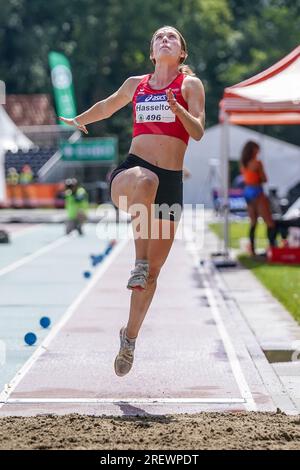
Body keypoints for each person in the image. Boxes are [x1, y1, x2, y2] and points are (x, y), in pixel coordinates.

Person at [59, 25, 205, 377]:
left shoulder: (189, 86)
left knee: (152, 276)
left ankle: (129, 338)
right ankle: (137, 261)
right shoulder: (135, 84)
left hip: (170, 185)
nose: (165, 39)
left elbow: (198, 131)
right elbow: (108, 107)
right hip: (131, 175)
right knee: (146, 179)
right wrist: (80, 120)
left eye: (172, 37)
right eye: (158, 37)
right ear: (152, 53)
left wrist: (178, 109)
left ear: (181, 53)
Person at [240, 141, 276, 256]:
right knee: (269, 222)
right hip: (257, 191)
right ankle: (272, 248)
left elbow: (247, 178)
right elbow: (264, 179)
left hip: (247, 192)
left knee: (253, 222)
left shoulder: (243, 163)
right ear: (253, 150)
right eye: (257, 149)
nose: (259, 151)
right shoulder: (257, 163)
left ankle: (253, 250)